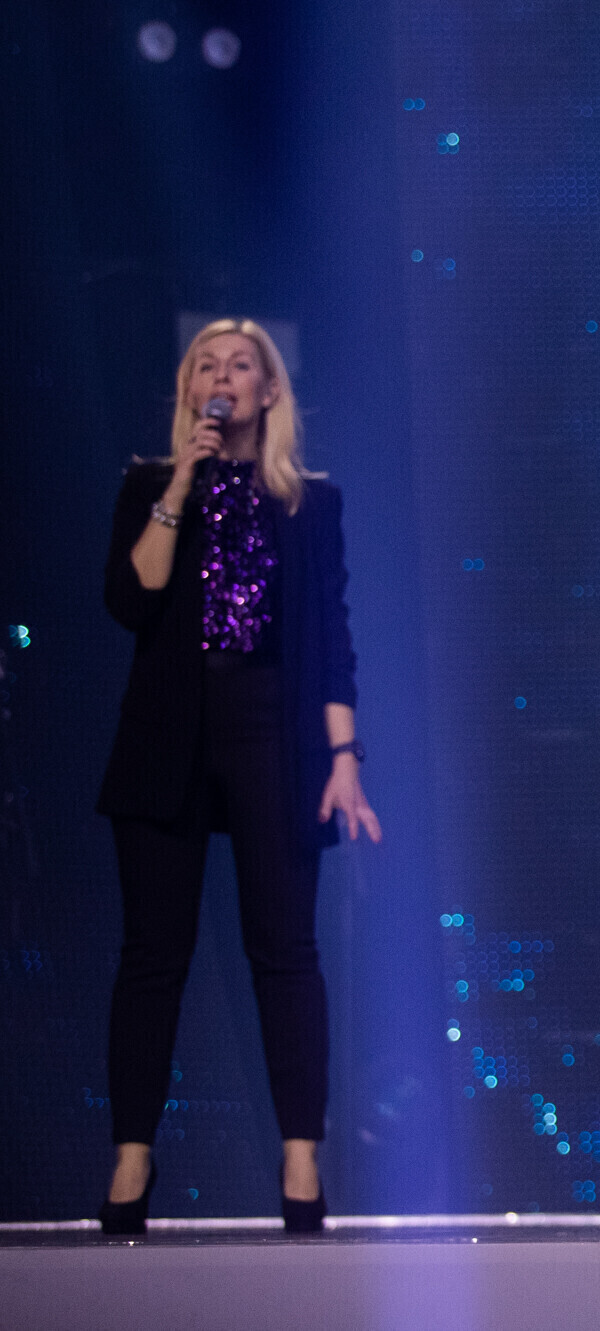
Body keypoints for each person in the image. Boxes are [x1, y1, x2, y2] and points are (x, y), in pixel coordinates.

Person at [97, 319, 376, 1237]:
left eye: (240, 364)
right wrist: (180, 485)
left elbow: (331, 640)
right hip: (170, 731)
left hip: (272, 731)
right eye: (206, 366)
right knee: (153, 953)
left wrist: (345, 760)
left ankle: (301, 1157)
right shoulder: (151, 485)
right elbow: (131, 599)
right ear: (190, 392)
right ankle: (132, 1156)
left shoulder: (310, 503)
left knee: (286, 950)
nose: (223, 376)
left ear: (268, 390)